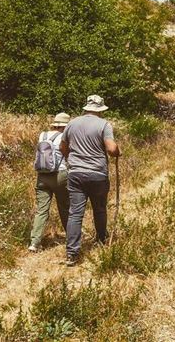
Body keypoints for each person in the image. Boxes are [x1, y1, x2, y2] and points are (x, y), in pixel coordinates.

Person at [60, 95, 121, 267]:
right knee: (100, 209)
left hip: (76, 173)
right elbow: (111, 148)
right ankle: (101, 240)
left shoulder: (72, 123)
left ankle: (72, 253)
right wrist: (117, 151)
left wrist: (71, 161)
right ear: (100, 110)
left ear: (86, 108)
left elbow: (62, 147)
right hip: (97, 174)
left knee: (75, 213)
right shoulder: (104, 125)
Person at [28, 112, 70, 253]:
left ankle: (34, 242)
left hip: (42, 175)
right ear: (65, 126)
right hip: (59, 174)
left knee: (41, 210)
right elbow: (67, 155)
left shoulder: (43, 135)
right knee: (64, 207)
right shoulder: (64, 137)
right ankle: (71, 237)